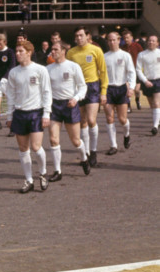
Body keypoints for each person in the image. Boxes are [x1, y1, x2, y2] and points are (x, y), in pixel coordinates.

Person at [6, 41, 52, 193]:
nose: (17, 54)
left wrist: (46, 113)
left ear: (29, 52)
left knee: (36, 147)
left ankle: (43, 172)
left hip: (36, 112)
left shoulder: (40, 70)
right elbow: (11, 95)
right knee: (23, 148)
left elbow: (46, 92)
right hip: (20, 113)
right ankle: (28, 180)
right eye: (16, 51)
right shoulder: (13, 72)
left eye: (20, 51)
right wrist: (9, 115)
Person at [46, 41, 89, 181]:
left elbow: (83, 87)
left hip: (70, 105)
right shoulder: (48, 69)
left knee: (75, 140)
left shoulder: (73, 66)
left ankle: (84, 157)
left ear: (63, 51)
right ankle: (58, 171)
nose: (52, 52)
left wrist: (76, 98)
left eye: (55, 49)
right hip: (54, 106)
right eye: (52, 49)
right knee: (53, 139)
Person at [67, 26, 109, 167]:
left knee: (91, 120)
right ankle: (86, 153)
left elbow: (103, 72)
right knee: (82, 121)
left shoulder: (96, 50)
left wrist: (103, 91)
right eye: (76, 36)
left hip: (92, 87)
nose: (79, 38)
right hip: (78, 88)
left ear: (87, 36)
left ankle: (94, 150)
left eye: (81, 35)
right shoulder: (71, 53)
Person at [103, 32, 136, 154]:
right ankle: (113, 145)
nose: (111, 42)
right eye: (109, 40)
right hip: (108, 89)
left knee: (122, 119)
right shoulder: (104, 56)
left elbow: (131, 72)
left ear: (118, 40)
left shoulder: (125, 55)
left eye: (114, 40)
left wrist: (131, 87)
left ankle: (126, 134)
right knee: (109, 117)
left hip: (121, 88)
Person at [135, 34, 160, 134]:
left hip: (158, 80)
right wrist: (145, 81)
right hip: (147, 81)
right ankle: (157, 120)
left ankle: (154, 127)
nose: (151, 42)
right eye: (149, 40)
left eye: (153, 41)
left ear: (157, 43)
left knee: (156, 103)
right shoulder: (142, 54)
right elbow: (138, 69)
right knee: (152, 104)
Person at [121, 29, 144, 110]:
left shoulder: (137, 46)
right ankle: (129, 105)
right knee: (128, 89)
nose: (126, 40)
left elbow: (142, 57)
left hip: (136, 70)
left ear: (131, 37)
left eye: (127, 37)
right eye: (124, 38)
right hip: (126, 72)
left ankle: (137, 100)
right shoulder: (122, 48)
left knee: (137, 90)